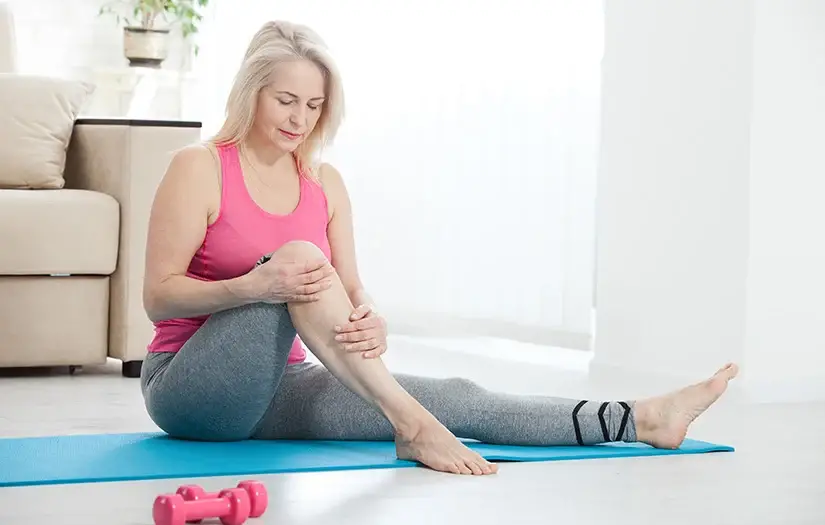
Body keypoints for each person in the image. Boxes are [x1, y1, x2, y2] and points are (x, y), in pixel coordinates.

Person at [139, 20, 739, 476]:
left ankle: (639, 418)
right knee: (296, 259)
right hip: (191, 391)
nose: (300, 118)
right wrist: (256, 285)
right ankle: (412, 427)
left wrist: (368, 317)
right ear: (252, 92)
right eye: (285, 100)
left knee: (458, 398)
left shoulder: (323, 184)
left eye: (315, 105)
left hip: (278, 391)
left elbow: (349, 290)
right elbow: (158, 298)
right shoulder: (200, 168)